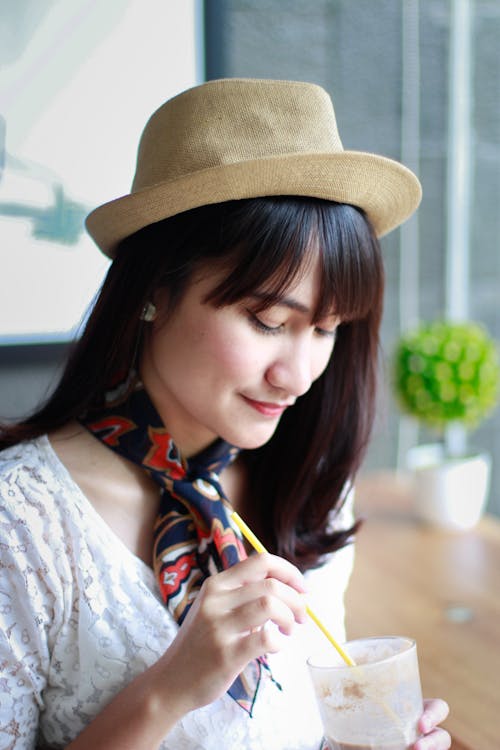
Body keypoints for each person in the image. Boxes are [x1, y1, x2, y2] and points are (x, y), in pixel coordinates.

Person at [0, 78, 450, 750]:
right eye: (268, 320)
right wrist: (170, 687)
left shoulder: (314, 483)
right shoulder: (23, 521)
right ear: (155, 289)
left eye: (326, 329)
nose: (296, 375)